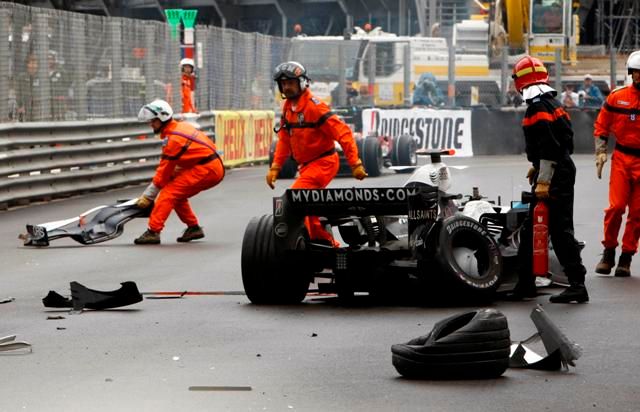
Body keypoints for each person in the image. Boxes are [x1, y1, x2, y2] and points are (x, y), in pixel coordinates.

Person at [509, 55, 588, 303]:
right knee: (532, 229)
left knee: (559, 230)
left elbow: (549, 147)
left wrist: (544, 177)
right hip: (558, 168)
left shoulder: (537, 108)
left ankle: (577, 284)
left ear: (520, 82)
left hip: (555, 174)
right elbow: (565, 142)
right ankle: (525, 283)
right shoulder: (553, 104)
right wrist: (539, 167)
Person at [266, 61, 367, 246]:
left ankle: (309, 244)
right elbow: (284, 140)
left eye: (291, 83)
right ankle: (327, 246)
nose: (287, 87)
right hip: (306, 167)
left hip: (324, 163)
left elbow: (342, 132)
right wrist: (275, 167)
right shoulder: (288, 108)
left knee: (294, 198)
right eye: (284, 84)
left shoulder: (316, 107)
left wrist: (355, 164)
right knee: (309, 210)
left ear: (302, 83)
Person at [134, 99, 224, 244]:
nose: (150, 124)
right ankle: (193, 228)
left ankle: (153, 231)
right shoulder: (178, 128)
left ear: (162, 118)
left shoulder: (174, 139)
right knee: (176, 193)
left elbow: (164, 171)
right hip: (207, 166)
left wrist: (148, 197)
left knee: (169, 193)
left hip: (207, 169)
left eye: (153, 121)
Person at [592, 51, 640, 277]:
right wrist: (601, 151)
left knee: (638, 213)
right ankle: (609, 251)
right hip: (622, 158)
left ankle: (626, 258)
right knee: (616, 207)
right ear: (631, 74)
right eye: (637, 73)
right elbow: (602, 125)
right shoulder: (616, 97)